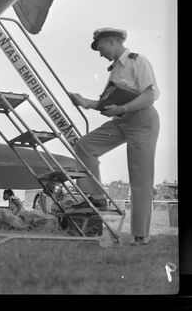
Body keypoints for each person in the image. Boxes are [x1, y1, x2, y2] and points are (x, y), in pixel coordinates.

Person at [68, 27, 160, 246]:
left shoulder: (138, 61)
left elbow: (151, 94)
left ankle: (140, 235)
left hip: (142, 121)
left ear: (111, 42)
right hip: (122, 121)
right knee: (85, 145)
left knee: (140, 177)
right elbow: (108, 103)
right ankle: (97, 198)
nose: (100, 54)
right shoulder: (114, 70)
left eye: (101, 49)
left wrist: (124, 108)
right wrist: (86, 102)